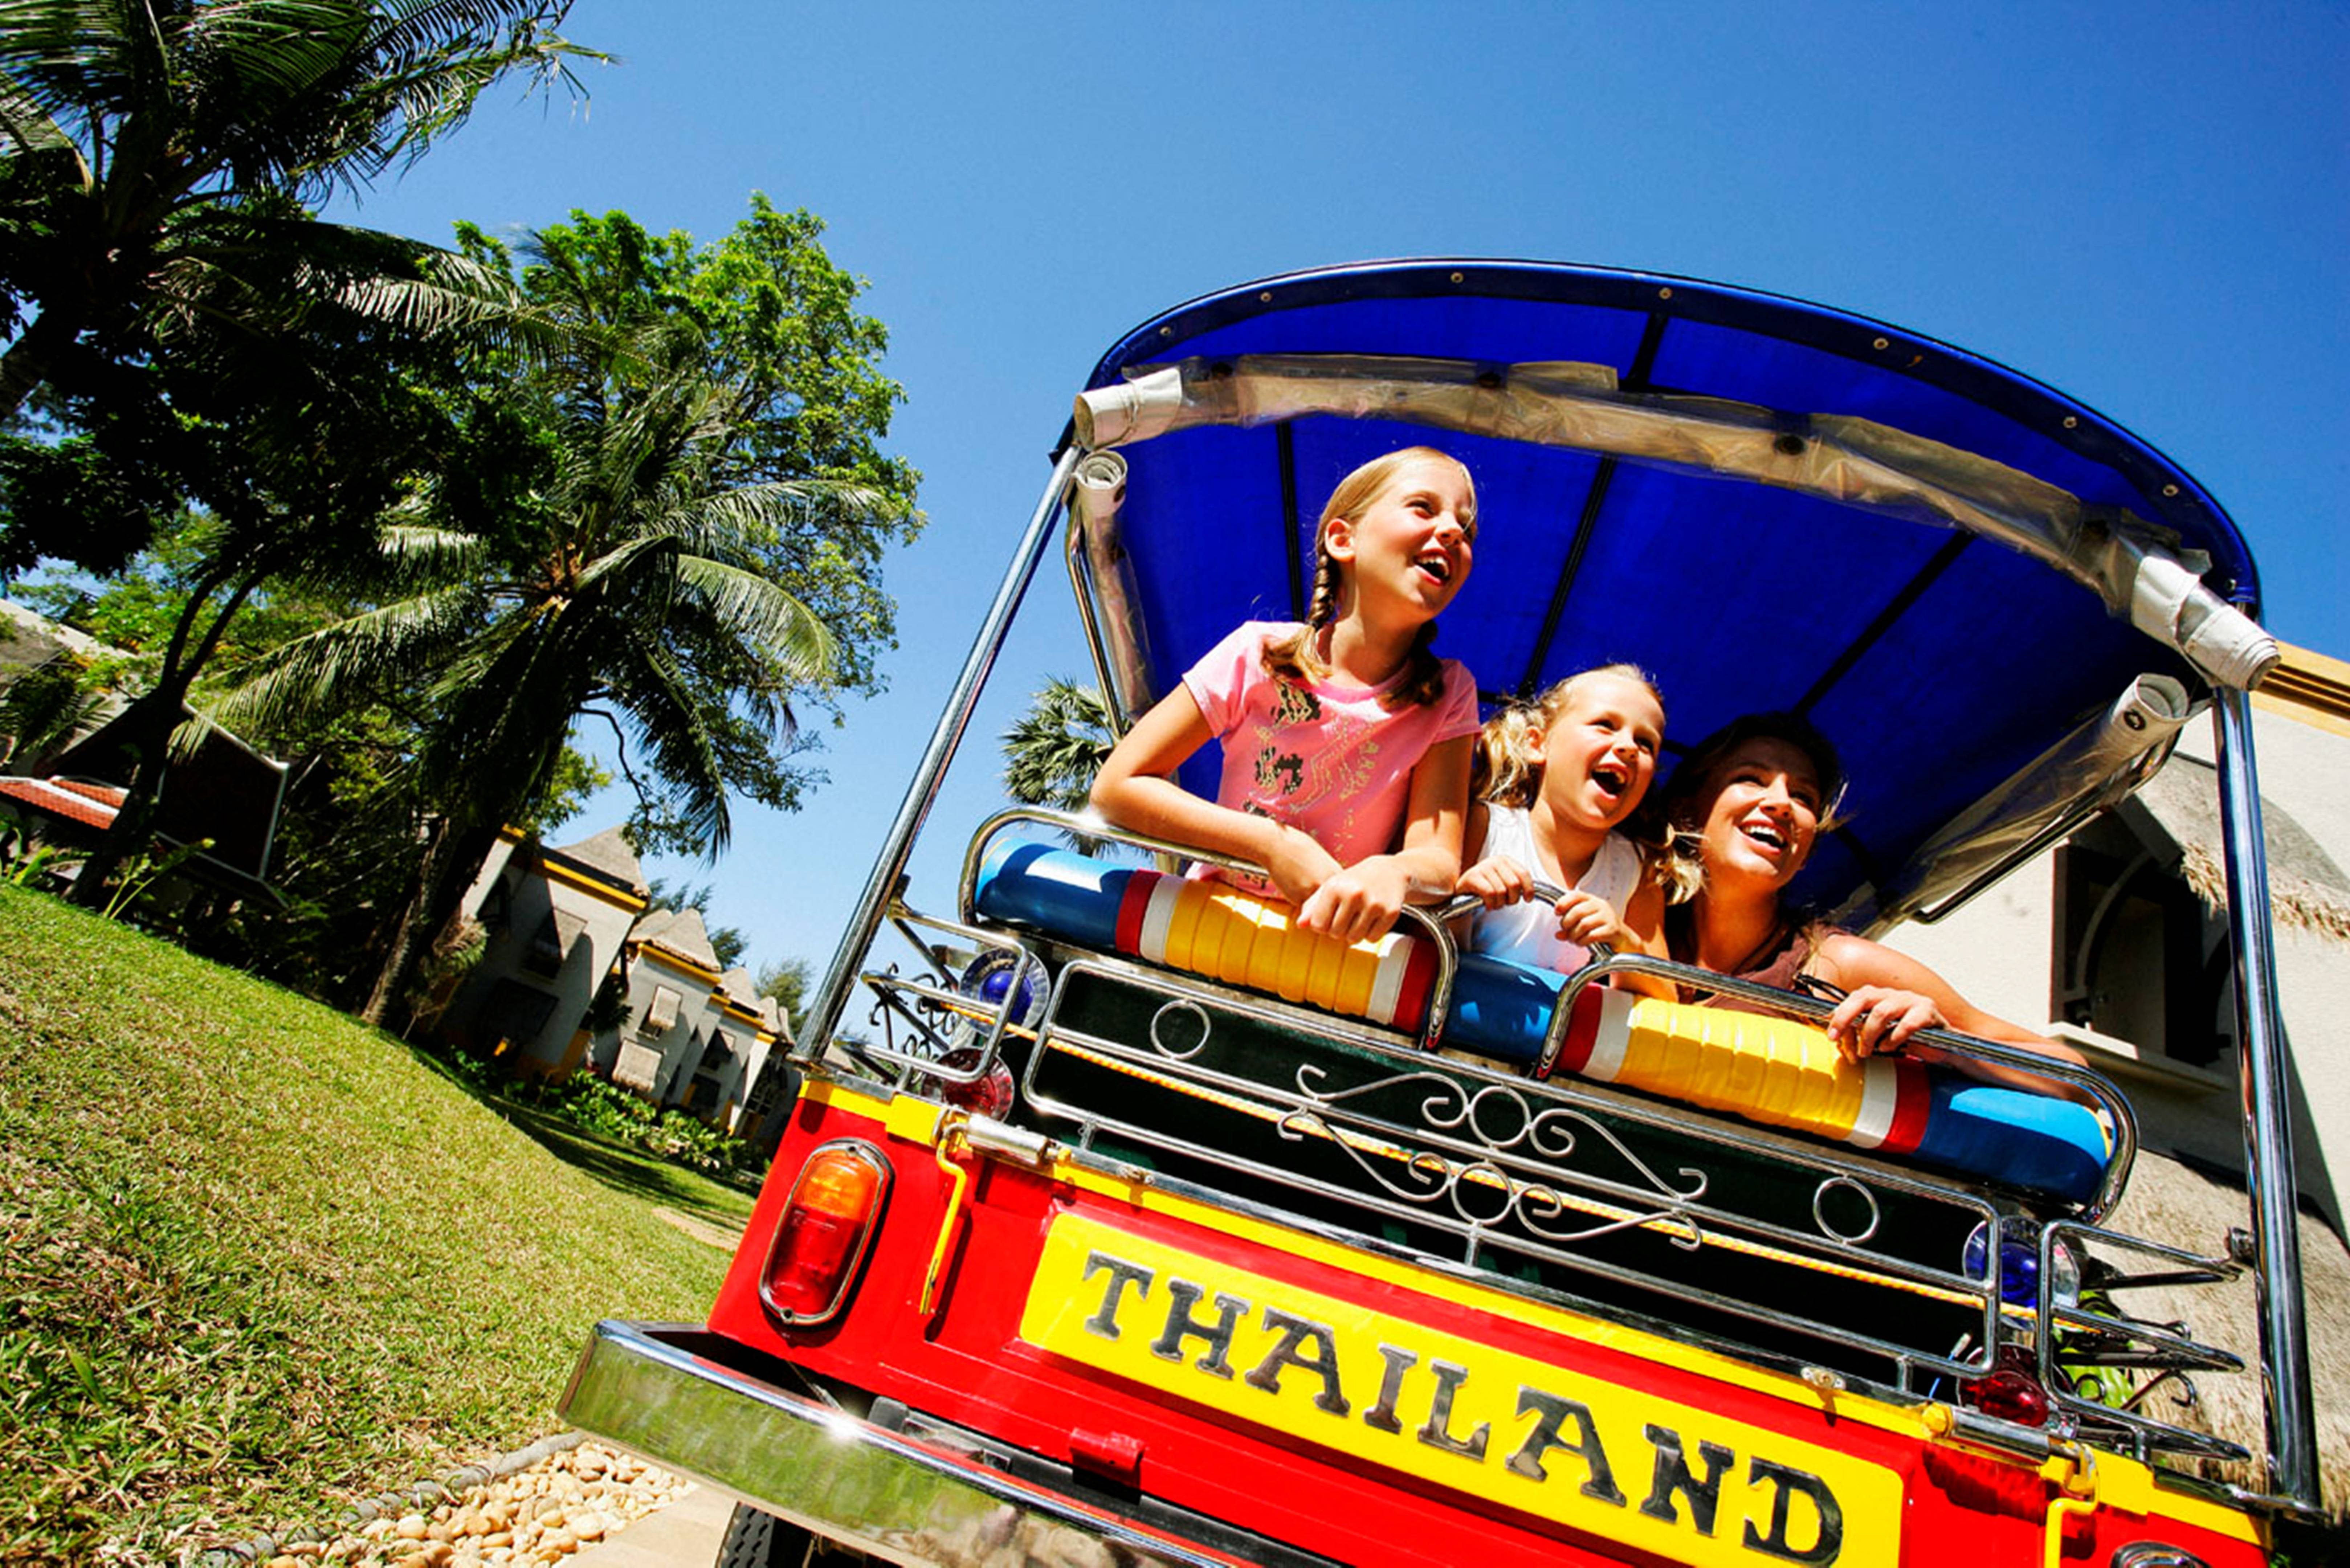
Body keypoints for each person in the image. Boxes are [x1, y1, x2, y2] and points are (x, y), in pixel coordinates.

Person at [1090, 447, 1481, 948]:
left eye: (1466, 529)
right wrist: (1271, 844)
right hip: (1208, 929)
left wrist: (1396, 873)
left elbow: (1438, 860)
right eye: (1423, 508)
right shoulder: (1257, 651)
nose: (1452, 530)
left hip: (1328, 958)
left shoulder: (1449, 693)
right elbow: (1118, 787)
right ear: (1343, 540)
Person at [1656, 712, 2089, 1096]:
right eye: (1750, 778)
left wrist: (1946, 1044)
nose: (1781, 804)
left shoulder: (1835, 962)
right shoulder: (1632, 921)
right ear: (1688, 811)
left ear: (1806, 852)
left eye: (1804, 798)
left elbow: (2075, 1077)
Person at [1455, 665, 1676, 998]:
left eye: (1645, 743)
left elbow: (1665, 998)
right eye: (1605, 725)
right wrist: (1462, 901)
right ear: (1537, 744)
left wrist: (1623, 942)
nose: (1629, 746)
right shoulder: (1484, 827)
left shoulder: (1635, 869)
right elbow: (1414, 945)